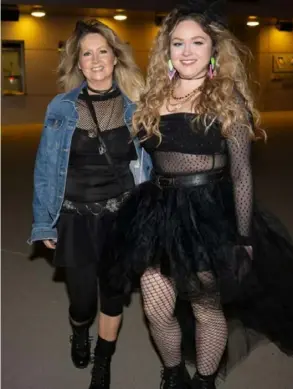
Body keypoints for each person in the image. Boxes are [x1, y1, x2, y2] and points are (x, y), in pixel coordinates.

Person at [102, 1, 293, 388]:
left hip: (207, 213)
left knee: (206, 308)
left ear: (214, 49)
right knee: (156, 308)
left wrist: (244, 237)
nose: (186, 52)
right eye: (178, 43)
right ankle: (172, 372)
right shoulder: (154, 96)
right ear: (167, 50)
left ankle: (204, 379)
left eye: (197, 42)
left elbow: (242, 173)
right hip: (156, 210)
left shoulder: (226, 99)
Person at [29, 19, 152, 389]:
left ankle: (103, 360)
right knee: (82, 300)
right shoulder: (63, 107)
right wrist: (44, 222)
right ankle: (80, 330)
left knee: (113, 297)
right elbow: (46, 167)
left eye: (103, 51)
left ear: (115, 58)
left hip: (121, 219)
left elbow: (153, 162)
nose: (96, 60)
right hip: (76, 218)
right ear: (78, 63)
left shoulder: (136, 107)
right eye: (87, 54)